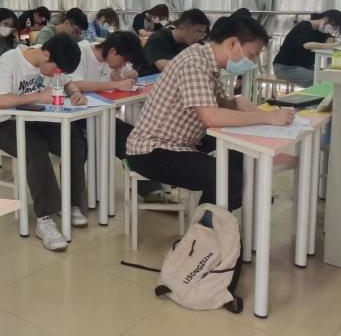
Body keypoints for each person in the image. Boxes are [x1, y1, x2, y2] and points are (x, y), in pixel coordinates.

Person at [126, 17, 296, 210]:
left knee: (240, 154)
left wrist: (237, 102)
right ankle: (205, 227)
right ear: (233, 43)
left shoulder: (210, 63)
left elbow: (221, 105)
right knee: (227, 179)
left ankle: (233, 202)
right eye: (251, 55)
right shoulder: (194, 63)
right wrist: (268, 117)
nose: (251, 62)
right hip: (153, 150)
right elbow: (211, 117)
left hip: (182, 140)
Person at [0, 35, 88, 251]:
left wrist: (76, 93)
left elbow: (67, 81)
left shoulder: (51, 56)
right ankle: (45, 219)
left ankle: (70, 203)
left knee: (73, 137)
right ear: (46, 56)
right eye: (56, 70)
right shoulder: (10, 60)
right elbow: (0, 101)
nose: (57, 75)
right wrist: (39, 97)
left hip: (35, 119)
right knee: (35, 146)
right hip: (1, 123)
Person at [273, 10, 341, 87]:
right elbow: (307, 45)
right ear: (326, 19)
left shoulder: (321, 31)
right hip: (285, 68)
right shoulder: (304, 26)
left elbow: (329, 40)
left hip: (304, 67)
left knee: (330, 77)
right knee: (321, 79)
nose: (332, 29)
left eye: (335, 28)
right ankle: (315, 94)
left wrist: (330, 39)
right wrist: (335, 45)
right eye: (333, 26)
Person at [143, 9, 210, 74]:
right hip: (149, 78)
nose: (199, 36)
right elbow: (162, 66)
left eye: (202, 33)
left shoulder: (193, 42)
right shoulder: (158, 38)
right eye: (197, 31)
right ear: (182, 27)